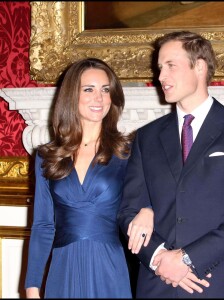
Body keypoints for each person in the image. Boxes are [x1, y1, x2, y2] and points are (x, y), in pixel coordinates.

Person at [118, 31, 224, 298]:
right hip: (157, 283)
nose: (161, 77)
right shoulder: (146, 137)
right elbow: (128, 211)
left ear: (199, 66)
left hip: (218, 282)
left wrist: (186, 259)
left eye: (170, 66)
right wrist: (159, 258)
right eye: (159, 69)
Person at [24, 57, 153, 298]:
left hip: (110, 267)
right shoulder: (47, 156)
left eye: (105, 90)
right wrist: (32, 287)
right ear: (71, 96)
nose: (99, 98)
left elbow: (152, 195)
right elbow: (43, 225)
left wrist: (148, 209)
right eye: (89, 89)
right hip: (63, 269)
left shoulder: (127, 152)